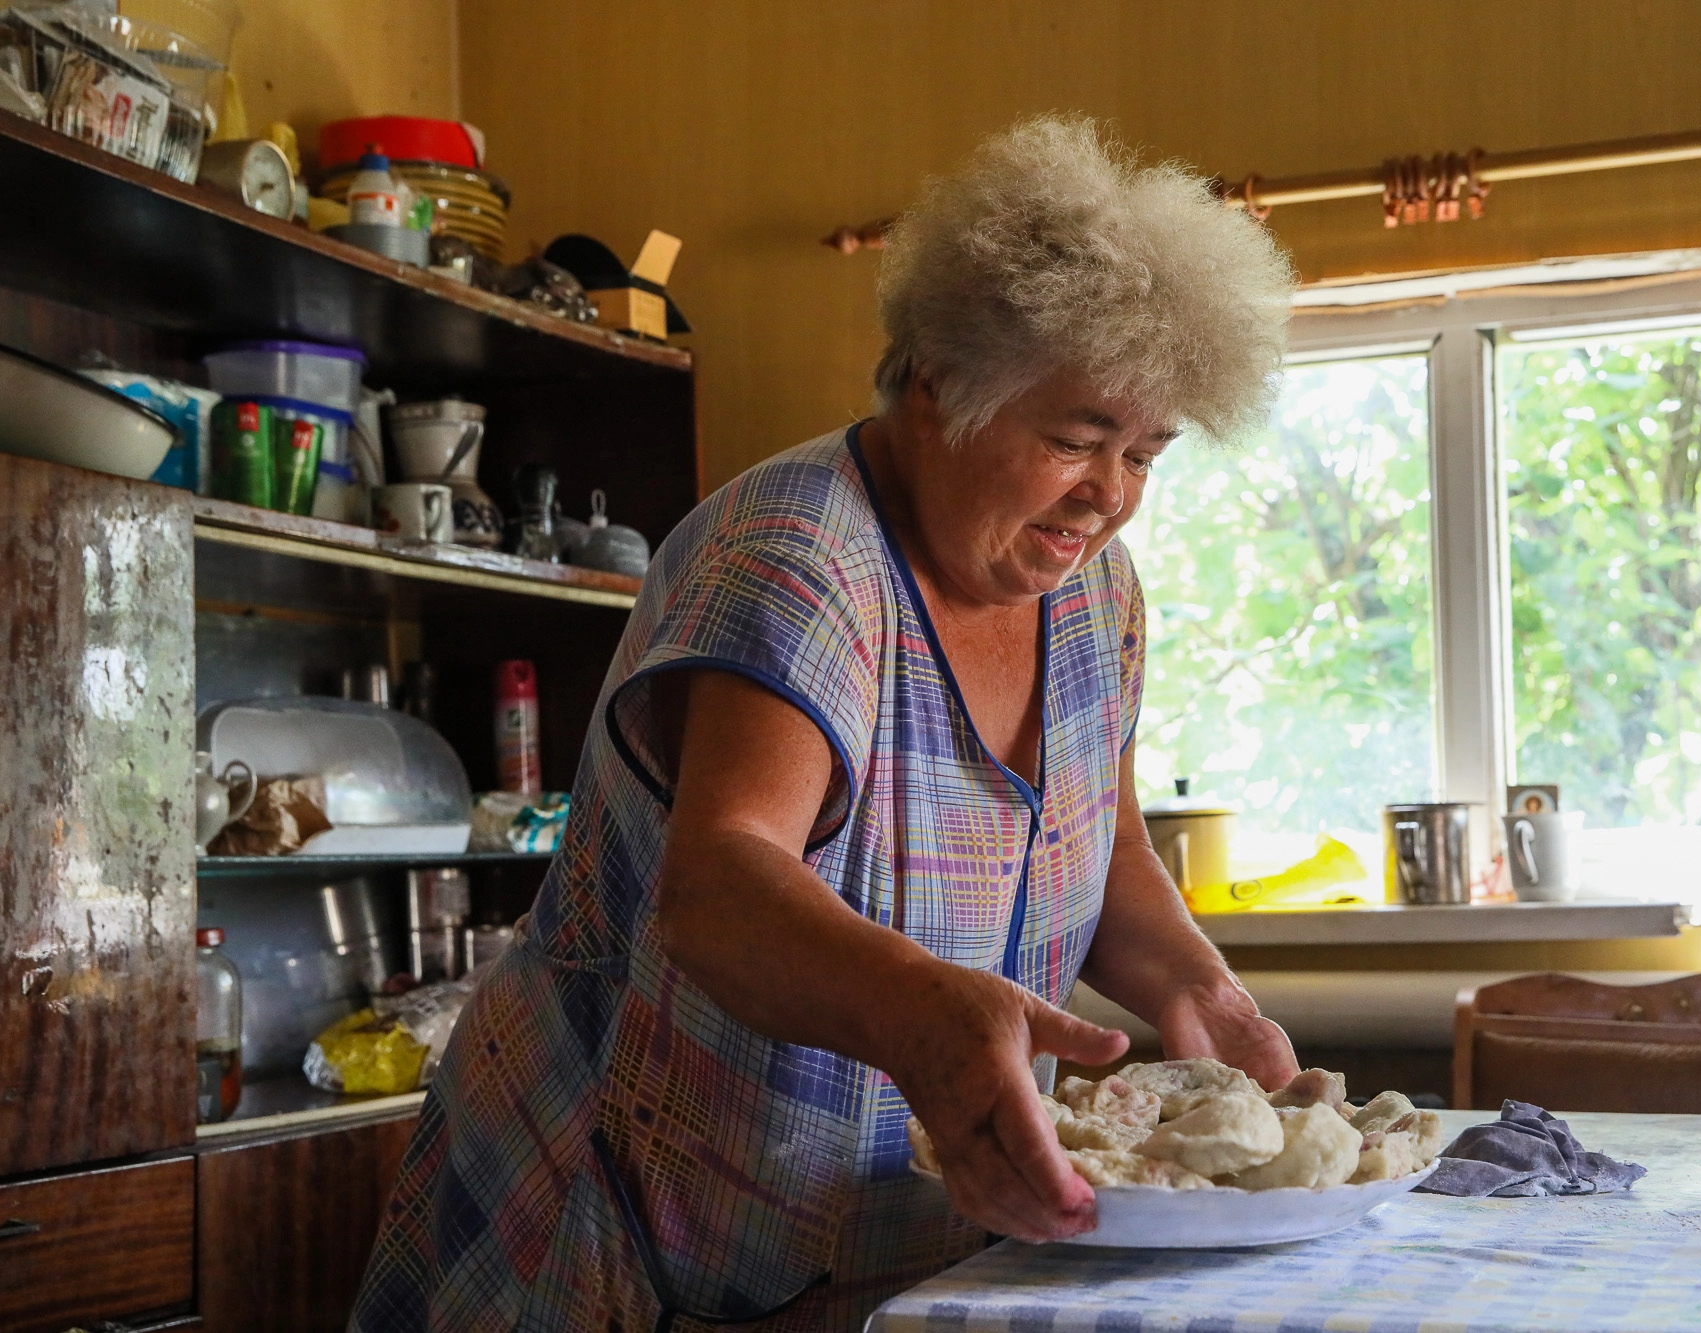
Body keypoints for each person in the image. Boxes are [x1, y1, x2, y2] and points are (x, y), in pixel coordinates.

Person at [352, 115, 1297, 1333]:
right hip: (609, 1227)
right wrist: (922, 1005)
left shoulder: (1091, 595)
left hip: (860, 1247)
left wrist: (1200, 990)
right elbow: (719, 886)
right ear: (935, 385)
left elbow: (1092, 849)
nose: (1107, 497)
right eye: (1071, 441)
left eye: (1144, 455)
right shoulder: (796, 558)